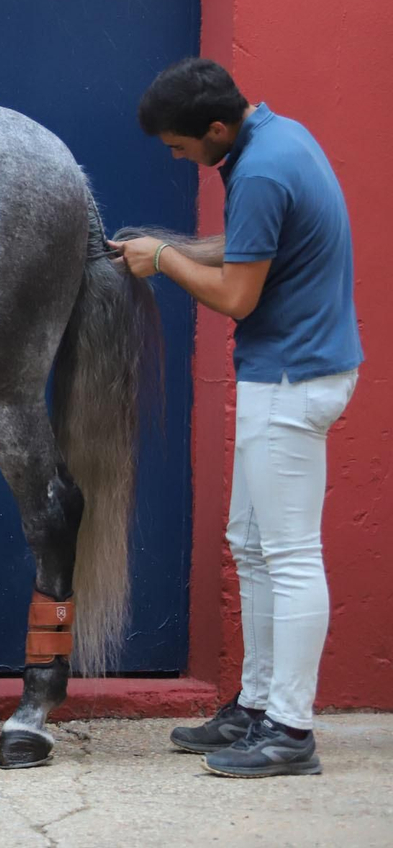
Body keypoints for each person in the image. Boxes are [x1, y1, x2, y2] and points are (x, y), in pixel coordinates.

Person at [110, 57, 362, 778]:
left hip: (291, 377)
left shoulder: (259, 169)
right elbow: (253, 246)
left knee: (287, 554)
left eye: (182, 148)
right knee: (251, 546)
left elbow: (237, 296)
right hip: (292, 372)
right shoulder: (277, 138)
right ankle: (254, 708)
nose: (179, 158)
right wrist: (170, 247)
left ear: (216, 127)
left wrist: (162, 258)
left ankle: (290, 730)